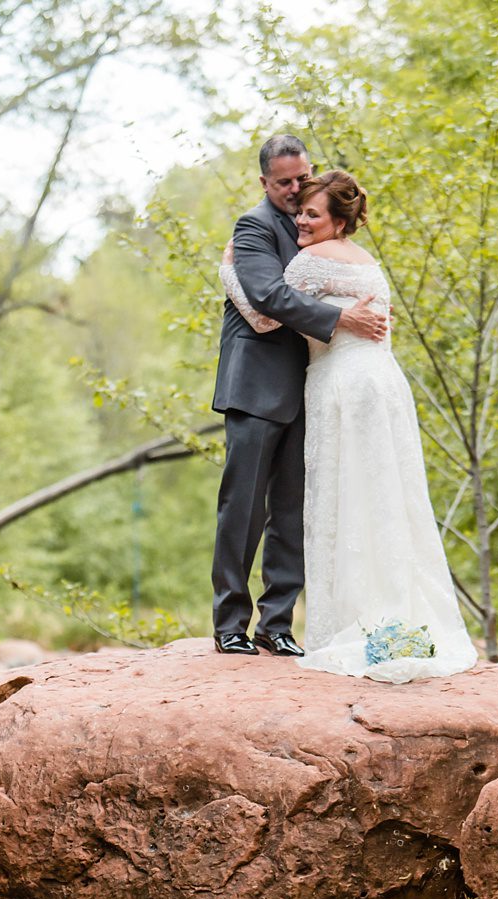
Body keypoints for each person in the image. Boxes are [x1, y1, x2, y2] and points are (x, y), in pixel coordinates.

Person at [219, 170, 477, 682]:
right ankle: (389, 616)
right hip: (379, 383)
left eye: (313, 214)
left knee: (345, 500)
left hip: (345, 386)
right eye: (300, 212)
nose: (301, 219)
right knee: (381, 501)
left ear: (339, 221)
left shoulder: (316, 258)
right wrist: (342, 321)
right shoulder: (363, 261)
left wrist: (227, 268)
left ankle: (355, 624)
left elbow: (264, 311)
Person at [209, 134, 391, 656]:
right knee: (241, 508)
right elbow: (266, 298)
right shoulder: (253, 228)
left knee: (292, 510)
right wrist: (339, 317)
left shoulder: (317, 223)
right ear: (264, 181)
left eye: (300, 176)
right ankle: (229, 625)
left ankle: (277, 623)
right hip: (256, 385)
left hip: (314, 384)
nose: (295, 188)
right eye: (284, 181)